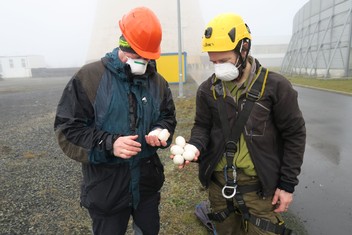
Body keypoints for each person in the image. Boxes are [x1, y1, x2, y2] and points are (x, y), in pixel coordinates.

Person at [173, 13, 306, 234]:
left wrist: (287, 185)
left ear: (244, 49)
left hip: (260, 191)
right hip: (219, 187)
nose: (218, 68)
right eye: (213, 62)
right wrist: (195, 145)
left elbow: (295, 135)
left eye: (224, 61)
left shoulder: (275, 87)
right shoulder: (207, 90)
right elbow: (202, 127)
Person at [54, 7, 177, 235]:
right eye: (139, 56)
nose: (144, 62)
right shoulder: (89, 78)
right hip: (106, 190)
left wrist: (162, 130)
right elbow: (67, 130)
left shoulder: (158, 82)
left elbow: (167, 116)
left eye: (148, 57)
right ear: (124, 45)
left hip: (146, 187)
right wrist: (110, 144)